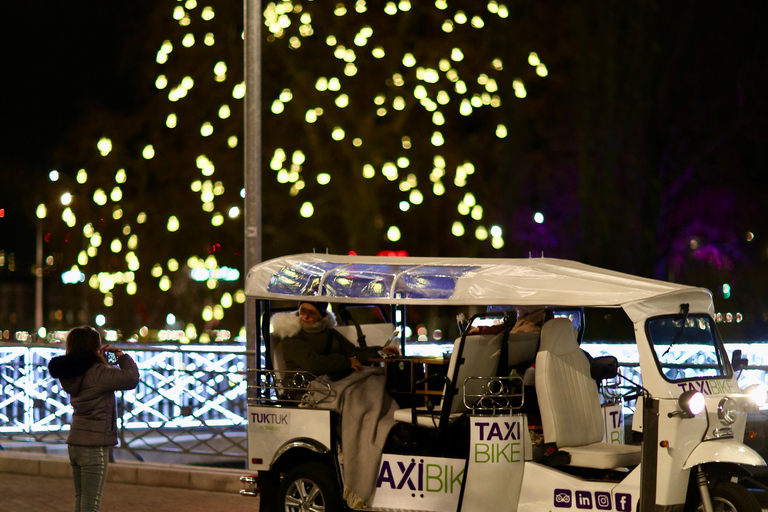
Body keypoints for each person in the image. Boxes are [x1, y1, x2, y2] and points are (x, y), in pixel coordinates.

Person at [48, 326, 140, 512]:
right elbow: (131, 378)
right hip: (94, 445)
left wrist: (100, 359)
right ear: (94, 347)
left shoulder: (70, 371)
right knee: (91, 504)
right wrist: (121, 357)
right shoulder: (98, 373)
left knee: (81, 500)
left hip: (75, 443)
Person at [272, 301, 400, 381]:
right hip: (302, 387)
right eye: (303, 311)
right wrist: (346, 362)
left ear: (321, 316)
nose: (305, 316)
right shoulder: (291, 332)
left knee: (375, 380)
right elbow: (312, 363)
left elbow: (353, 352)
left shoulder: (329, 333)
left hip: (328, 381)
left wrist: (379, 351)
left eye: (311, 312)